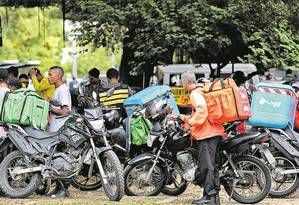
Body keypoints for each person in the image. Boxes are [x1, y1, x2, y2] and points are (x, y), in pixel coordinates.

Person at [168, 71, 224, 205]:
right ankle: (214, 197)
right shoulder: (202, 90)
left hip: (207, 135)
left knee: (206, 167)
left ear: (185, 82)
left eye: (182, 82)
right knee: (212, 167)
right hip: (214, 132)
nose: (182, 84)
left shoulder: (195, 93)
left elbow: (202, 110)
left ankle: (209, 197)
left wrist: (192, 123)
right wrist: (181, 118)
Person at [47, 65, 72, 198]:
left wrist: (50, 108)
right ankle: (58, 188)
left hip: (61, 131)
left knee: (61, 160)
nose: (48, 77)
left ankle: (64, 190)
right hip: (55, 130)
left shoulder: (62, 90)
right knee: (55, 160)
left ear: (58, 76)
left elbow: (65, 111)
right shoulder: (57, 90)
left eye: (51, 74)